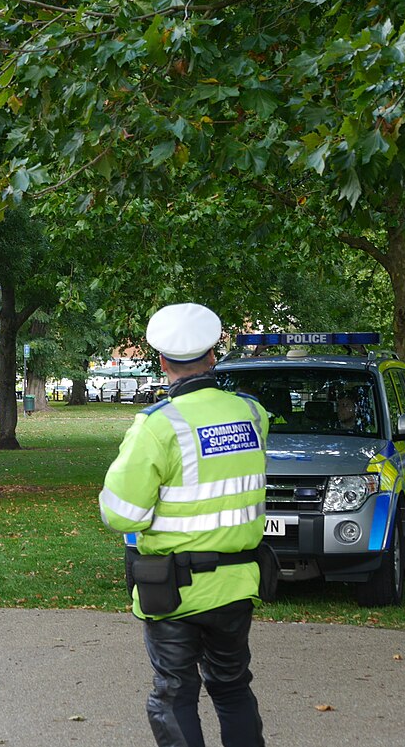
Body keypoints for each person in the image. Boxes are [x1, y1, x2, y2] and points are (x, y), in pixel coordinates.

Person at [98, 303, 268, 747]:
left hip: (173, 589)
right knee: (232, 688)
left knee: (173, 695)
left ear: (161, 361)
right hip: (237, 583)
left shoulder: (156, 426)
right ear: (213, 354)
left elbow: (121, 514)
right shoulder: (251, 414)